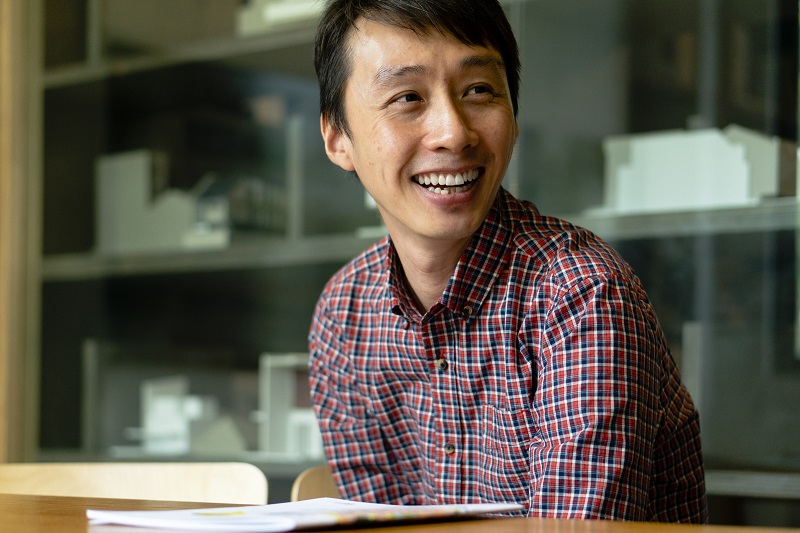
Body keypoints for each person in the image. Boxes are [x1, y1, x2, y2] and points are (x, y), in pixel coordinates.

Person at [307, 0, 707, 522]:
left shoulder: (581, 296)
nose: (453, 132)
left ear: (513, 119)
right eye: (407, 97)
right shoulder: (346, 314)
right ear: (338, 139)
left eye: (478, 91)